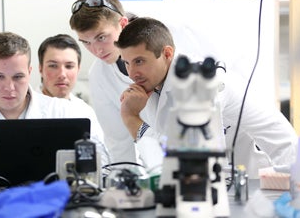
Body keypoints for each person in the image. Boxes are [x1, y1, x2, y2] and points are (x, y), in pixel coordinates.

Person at [114, 17, 298, 178]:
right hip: (229, 183)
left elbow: (182, 160)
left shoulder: (200, 83)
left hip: (273, 178)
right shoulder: (154, 86)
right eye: (127, 63)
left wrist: (131, 118)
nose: (132, 73)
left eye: (139, 61)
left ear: (167, 54)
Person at [0, 32, 108, 166]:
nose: (9, 87)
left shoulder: (65, 112)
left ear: (30, 72)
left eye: (18, 77)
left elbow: (102, 163)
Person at [69, 0, 138, 164]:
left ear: (123, 24)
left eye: (101, 37)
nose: (96, 50)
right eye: (86, 42)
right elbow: (119, 142)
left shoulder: (167, 45)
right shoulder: (99, 75)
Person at [37, 33, 107, 155]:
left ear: (78, 69)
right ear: (40, 69)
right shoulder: (23, 108)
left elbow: (101, 157)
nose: (62, 74)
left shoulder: (85, 112)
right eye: (53, 66)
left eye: (69, 66)